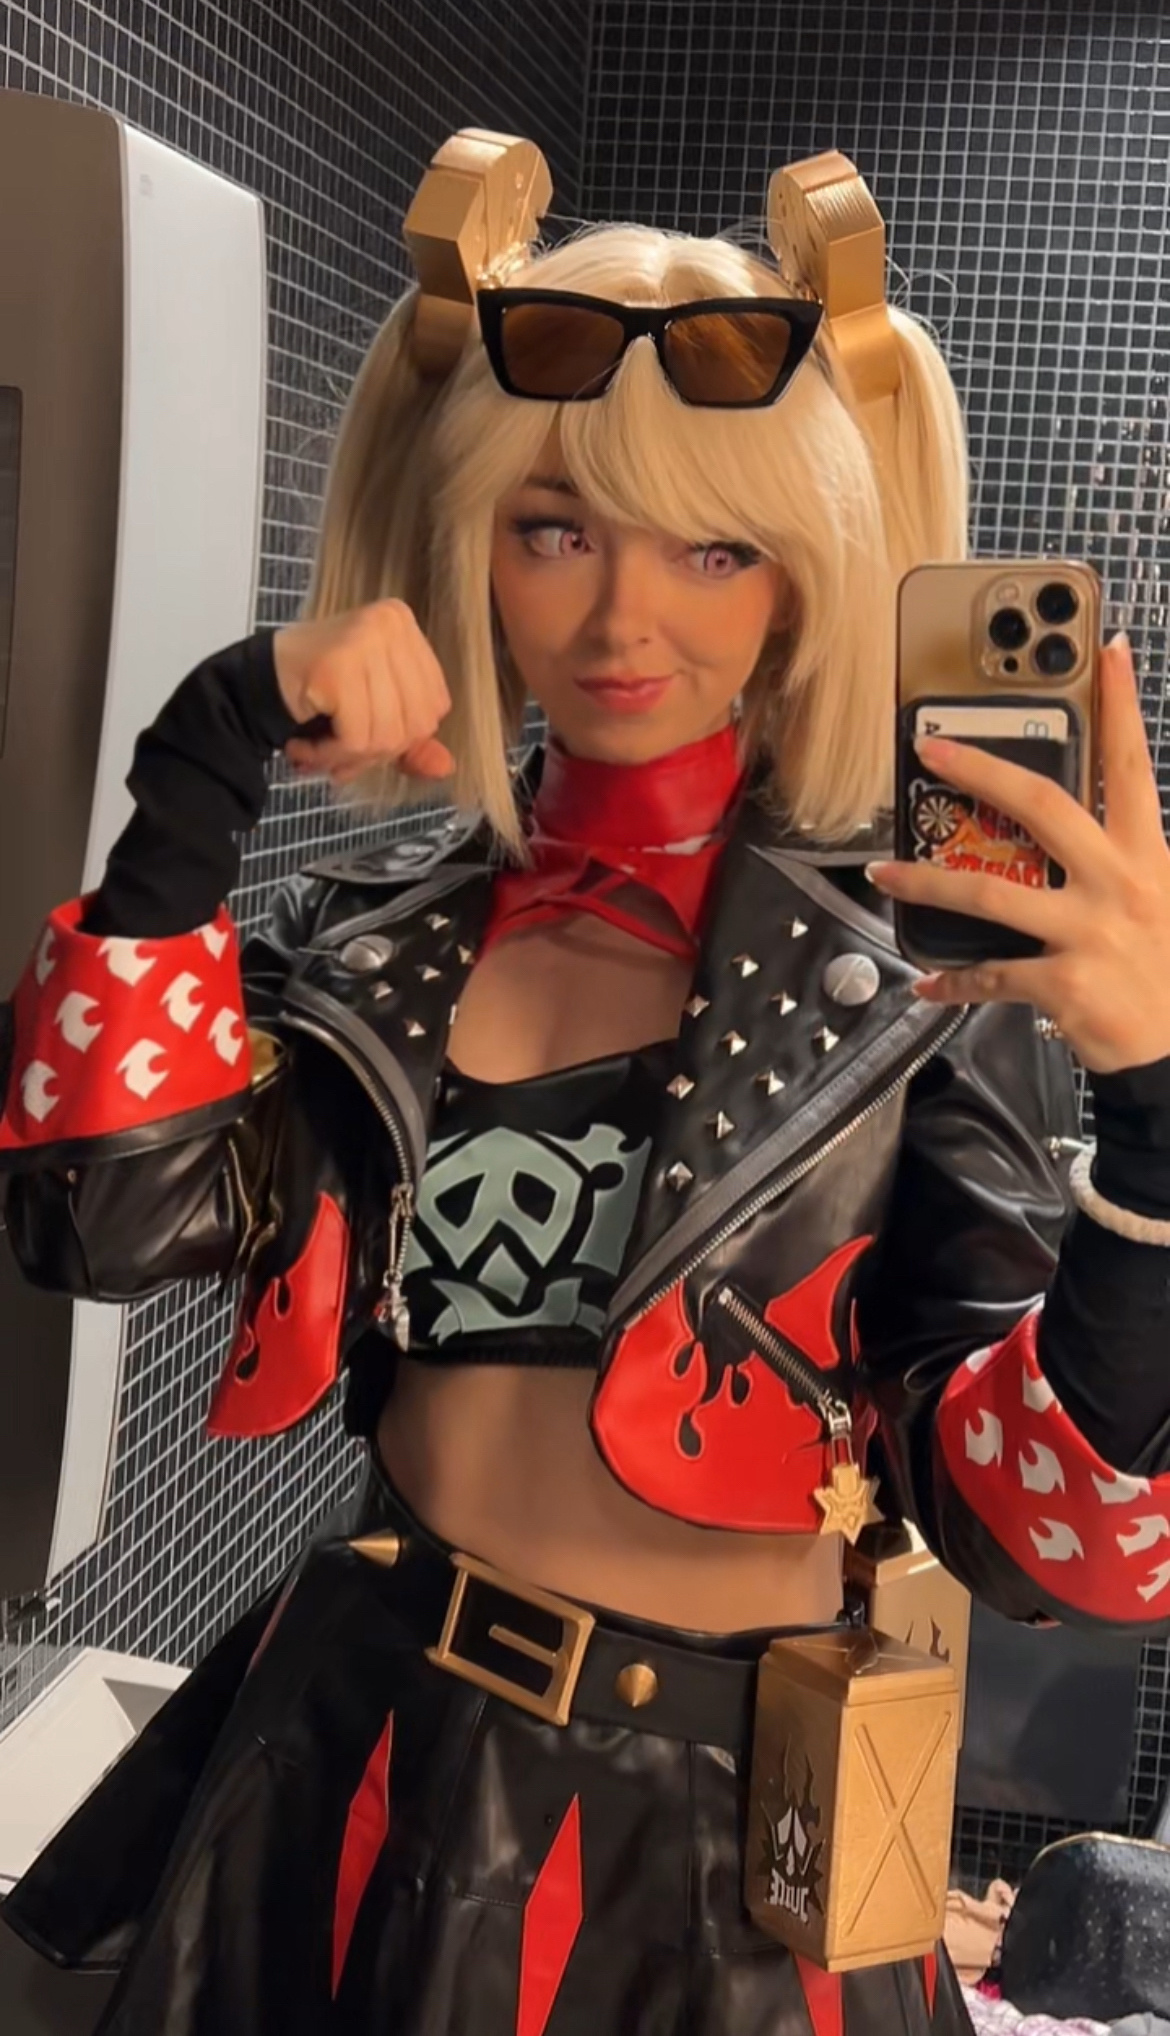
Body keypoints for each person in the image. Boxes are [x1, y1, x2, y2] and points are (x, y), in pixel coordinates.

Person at [1, 129, 1169, 2036]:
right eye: (555, 529)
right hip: (355, 1749)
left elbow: (1056, 1535)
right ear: (467, 540)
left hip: (707, 1853)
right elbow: (100, 1220)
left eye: (714, 548)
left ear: (800, 582)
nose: (626, 621)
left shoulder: (910, 979)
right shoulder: (382, 937)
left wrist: (1156, 1111)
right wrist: (204, 756)